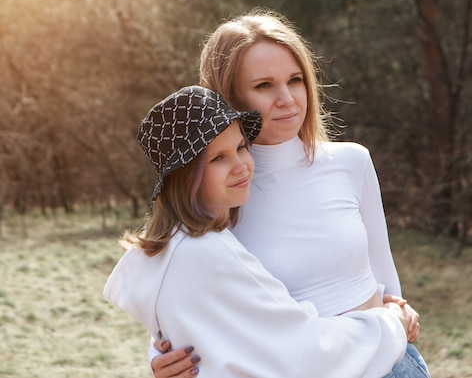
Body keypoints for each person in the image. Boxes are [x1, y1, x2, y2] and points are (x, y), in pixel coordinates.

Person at [151, 9, 431, 378]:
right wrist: (160, 361)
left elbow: (387, 282)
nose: (286, 99)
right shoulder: (217, 196)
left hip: (389, 366)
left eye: (295, 80)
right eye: (264, 86)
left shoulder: (352, 162)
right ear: (229, 98)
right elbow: (176, 310)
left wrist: (402, 316)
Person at [103, 85, 417, 378]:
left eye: (241, 147)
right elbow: (304, 351)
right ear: (184, 176)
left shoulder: (172, 249)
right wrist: (389, 322)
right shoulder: (210, 254)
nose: (241, 164)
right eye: (218, 158)